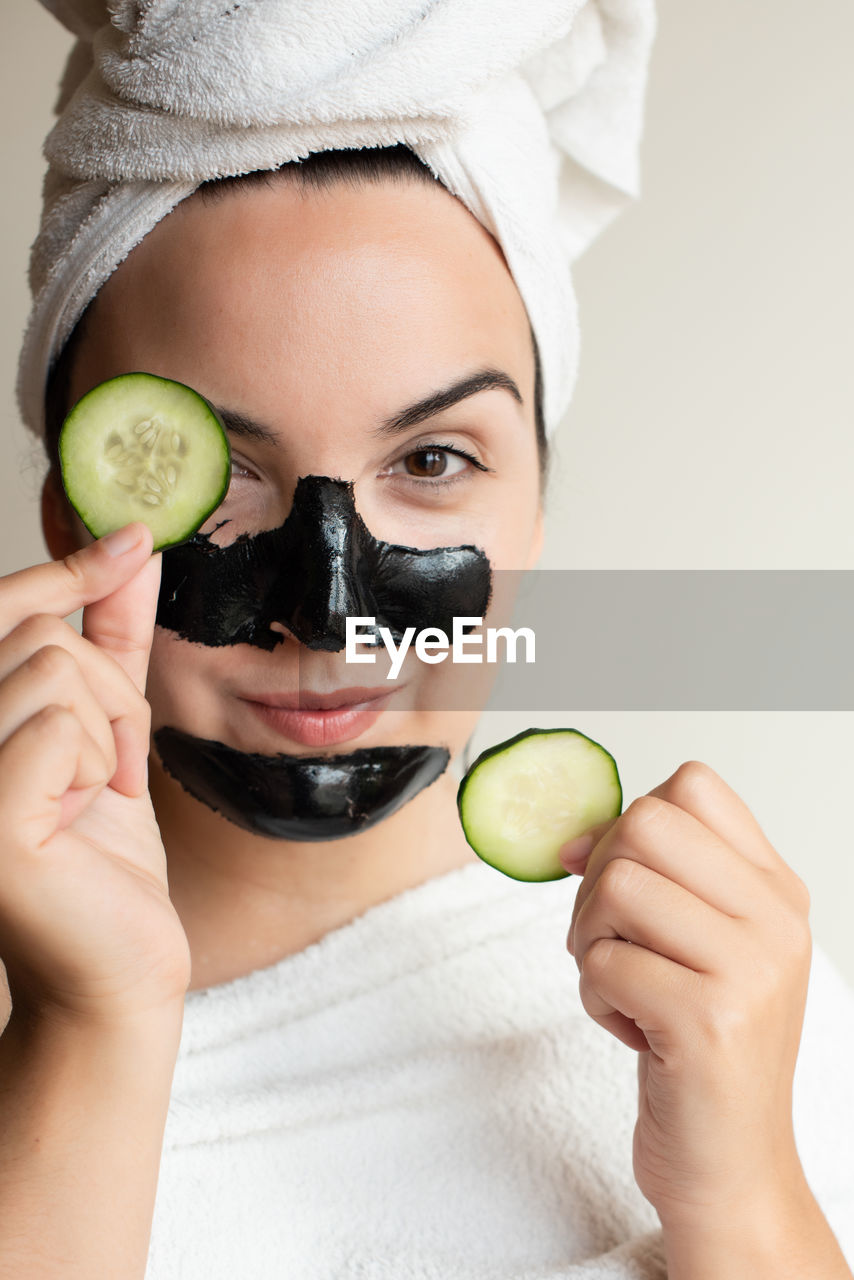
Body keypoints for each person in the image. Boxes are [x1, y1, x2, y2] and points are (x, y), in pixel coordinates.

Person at [2, 6, 854, 1280]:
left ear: (534, 505)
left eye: (431, 459)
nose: (330, 612)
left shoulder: (730, 1011)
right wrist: (90, 1026)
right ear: (73, 508)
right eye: (215, 477)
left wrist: (747, 1200)